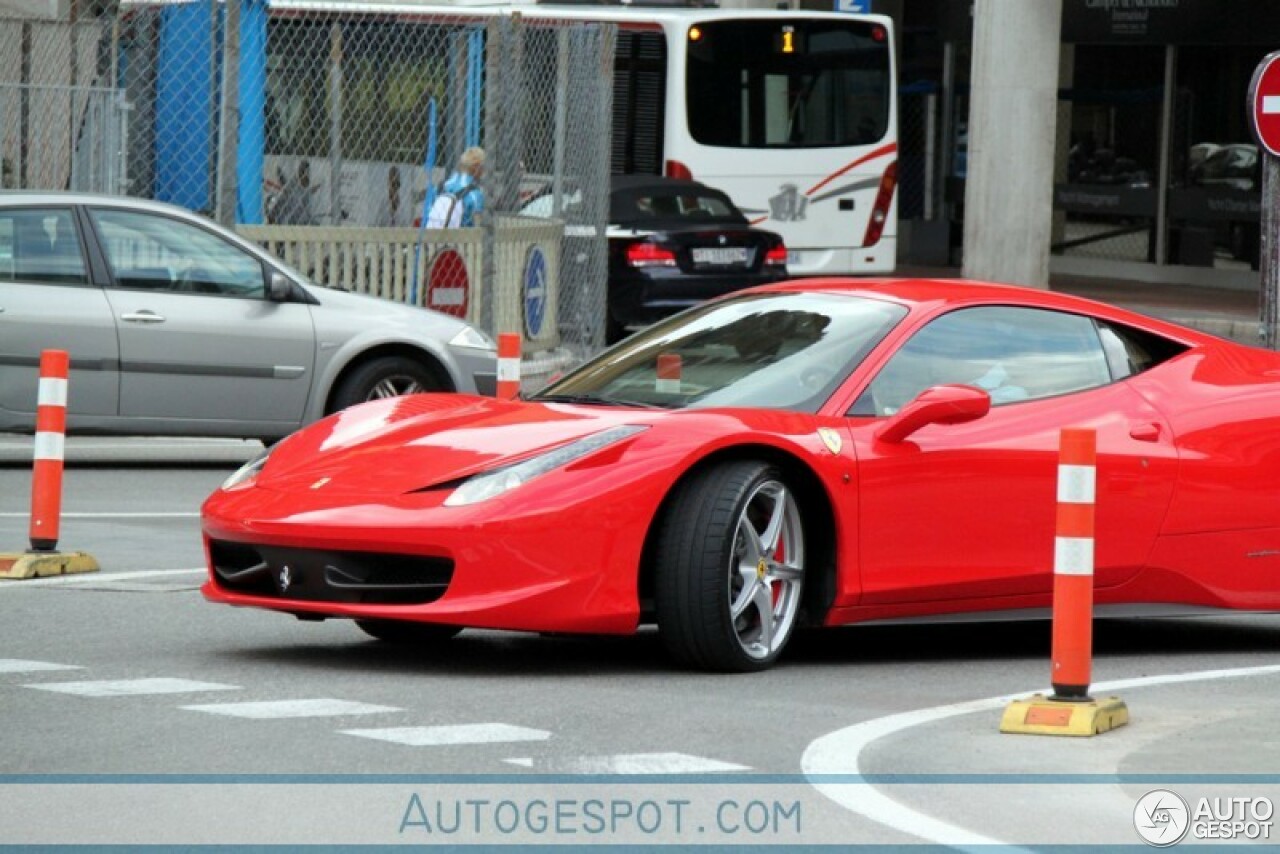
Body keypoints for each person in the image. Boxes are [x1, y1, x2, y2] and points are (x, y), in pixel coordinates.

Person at [435, 146, 486, 227]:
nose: (484, 170)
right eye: (483, 167)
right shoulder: (475, 193)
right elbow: (478, 225)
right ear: (476, 166)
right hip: (463, 236)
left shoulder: (444, 185)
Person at [274, 159, 317, 226]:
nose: (304, 173)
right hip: (294, 219)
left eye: (306, 171)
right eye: (302, 171)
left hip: (306, 219)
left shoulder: (307, 185)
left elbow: (307, 193)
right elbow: (286, 187)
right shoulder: (293, 183)